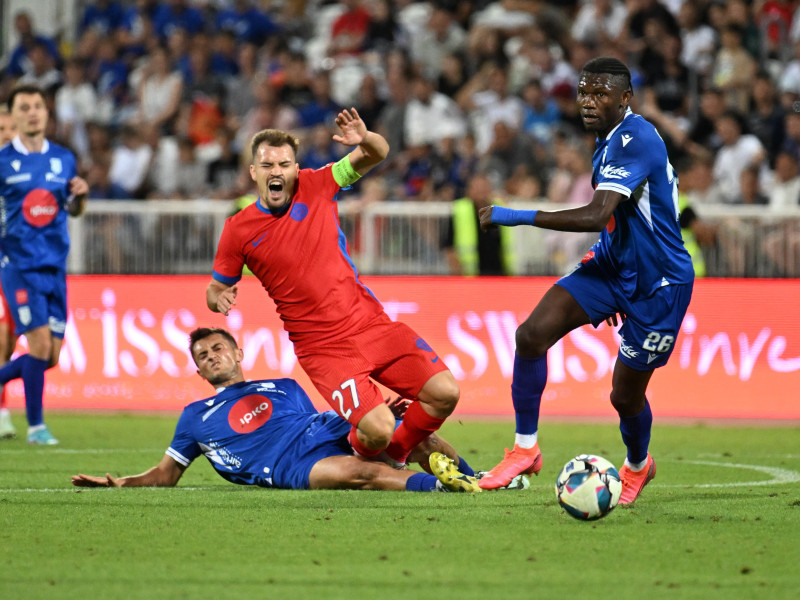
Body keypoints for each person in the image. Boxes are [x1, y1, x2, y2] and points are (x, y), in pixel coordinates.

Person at [477, 58, 695, 505]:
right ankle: (524, 449)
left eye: (600, 94)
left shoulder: (637, 139)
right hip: (614, 268)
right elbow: (618, 220)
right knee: (531, 335)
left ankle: (638, 465)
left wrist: (516, 214)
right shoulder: (607, 138)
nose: (588, 102)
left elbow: (598, 213)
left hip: (660, 286)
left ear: (625, 98)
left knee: (624, 397)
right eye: (583, 92)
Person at [207, 109, 461, 470]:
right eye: (267, 165)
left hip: (371, 325)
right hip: (323, 348)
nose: (276, 171)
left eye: (284, 164)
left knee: (445, 393)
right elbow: (216, 288)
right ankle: (365, 452)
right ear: (254, 173)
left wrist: (365, 138)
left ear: (295, 169)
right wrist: (220, 297)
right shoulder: (238, 229)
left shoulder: (319, 183)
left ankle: (395, 455)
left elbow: (377, 153)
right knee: (378, 428)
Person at [72, 327, 481, 493]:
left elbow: (317, 420)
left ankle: (476, 479)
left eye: (218, 348)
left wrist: (372, 415)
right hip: (287, 465)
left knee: (413, 430)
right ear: (197, 370)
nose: (212, 356)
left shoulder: (284, 385)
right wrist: (122, 484)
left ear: (238, 352)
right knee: (361, 474)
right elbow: (166, 474)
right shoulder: (195, 416)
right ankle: (444, 488)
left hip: (322, 430)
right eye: (203, 355)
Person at [0, 85, 89, 445]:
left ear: (46, 113)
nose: (33, 112)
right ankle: (36, 427)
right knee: (37, 348)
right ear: (13, 116)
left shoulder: (64, 159)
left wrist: (81, 197)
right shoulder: (3, 162)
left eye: (38, 106)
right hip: (19, 265)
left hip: (55, 265)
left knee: (50, 357)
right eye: (25, 107)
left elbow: (75, 210)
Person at [441, 173, 515, 276]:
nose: (482, 193)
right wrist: (458, 274)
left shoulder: (500, 209)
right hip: (471, 277)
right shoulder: (460, 211)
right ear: (469, 191)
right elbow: (449, 248)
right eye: (478, 189)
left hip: (500, 275)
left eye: (485, 188)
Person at [0, 108, 19, 439]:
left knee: (7, 343)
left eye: (10, 128)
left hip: (17, 267)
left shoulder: (31, 171)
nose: (6, 132)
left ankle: (3, 413)